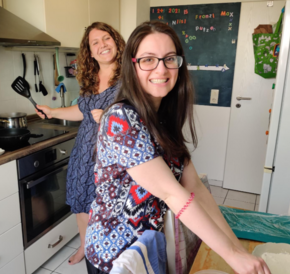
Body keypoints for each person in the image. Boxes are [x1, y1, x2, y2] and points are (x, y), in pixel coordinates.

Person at [84, 21, 271, 274]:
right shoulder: (120, 119)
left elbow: (195, 188)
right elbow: (172, 193)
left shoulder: (163, 118)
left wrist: (236, 249)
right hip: (115, 255)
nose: (161, 69)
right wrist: (232, 257)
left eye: (169, 58)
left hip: (149, 247)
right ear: (132, 64)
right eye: (148, 59)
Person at [35, 22, 125, 265]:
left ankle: (109, 255)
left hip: (112, 157)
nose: (102, 45)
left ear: (116, 41)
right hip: (84, 153)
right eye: (95, 42)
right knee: (81, 207)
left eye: (106, 38)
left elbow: (143, 113)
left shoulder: (130, 77)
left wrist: (109, 116)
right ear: (90, 51)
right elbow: (82, 111)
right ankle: (86, 248)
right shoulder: (92, 77)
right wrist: (53, 111)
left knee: (107, 210)